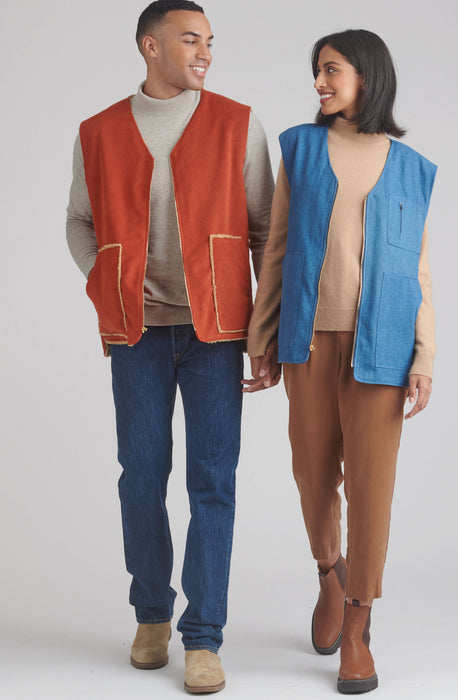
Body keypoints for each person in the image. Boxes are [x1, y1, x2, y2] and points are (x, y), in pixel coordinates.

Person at [66, 1, 273, 693]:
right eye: (191, 39)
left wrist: (263, 331)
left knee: (213, 481)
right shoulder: (97, 131)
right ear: (149, 47)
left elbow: (265, 230)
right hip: (137, 335)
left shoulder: (239, 123)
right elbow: (78, 220)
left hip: (217, 335)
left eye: (210, 41)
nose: (205, 52)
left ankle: (203, 636)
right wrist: (104, 284)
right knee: (141, 475)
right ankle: (151, 614)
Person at [244, 29, 437, 694]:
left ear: (366, 75)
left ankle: (357, 626)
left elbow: (417, 269)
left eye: (330, 70)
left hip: (383, 347)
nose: (319, 83)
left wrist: (425, 355)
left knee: (371, 490)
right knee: (311, 474)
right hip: (306, 340)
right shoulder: (299, 149)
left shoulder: (411, 168)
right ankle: (330, 572)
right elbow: (275, 249)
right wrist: (261, 336)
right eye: (317, 72)